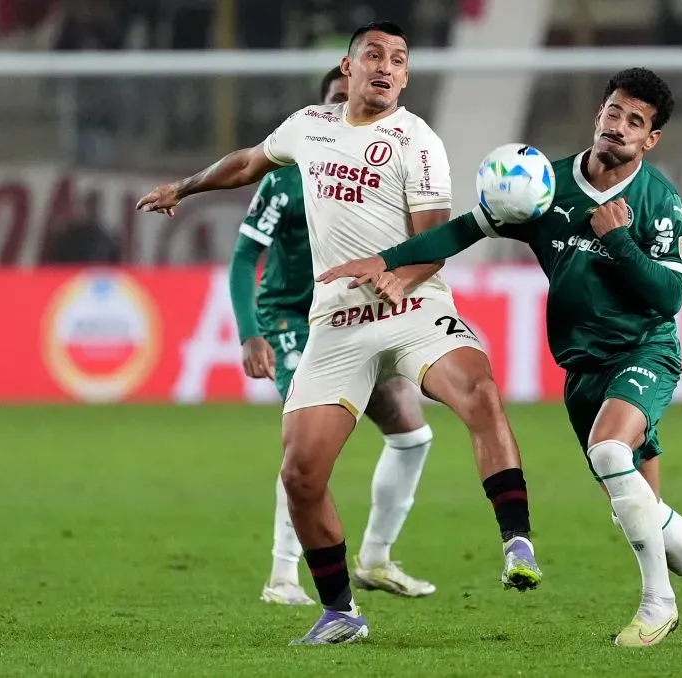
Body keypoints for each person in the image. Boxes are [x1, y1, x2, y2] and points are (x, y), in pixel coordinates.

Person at [318, 68, 682, 648]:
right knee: (643, 511)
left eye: (636, 122)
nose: (619, 127)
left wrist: (617, 239)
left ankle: (658, 605)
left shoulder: (659, 200)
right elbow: (460, 232)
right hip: (582, 372)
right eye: (614, 112)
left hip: (644, 353)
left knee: (611, 451)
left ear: (651, 138)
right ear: (598, 115)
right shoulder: (541, 184)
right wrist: (386, 258)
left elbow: (669, 298)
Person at [136, 21, 541, 646]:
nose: (386, 66)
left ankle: (516, 540)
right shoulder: (308, 125)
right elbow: (248, 161)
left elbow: (434, 235)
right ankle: (341, 612)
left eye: (399, 59)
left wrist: (397, 273)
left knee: (477, 391)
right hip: (336, 321)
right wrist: (183, 188)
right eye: (373, 55)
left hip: (410, 305)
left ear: (406, 77)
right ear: (347, 68)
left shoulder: (418, 141)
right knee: (300, 471)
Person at [228, 66, 435, 606]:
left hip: (354, 317)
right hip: (292, 318)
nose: (348, 108)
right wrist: (251, 333)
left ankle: (376, 559)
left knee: (413, 433)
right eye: (336, 100)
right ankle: (281, 576)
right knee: (309, 449)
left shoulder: (387, 169)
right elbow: (246, 254)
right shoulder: (285, 177)